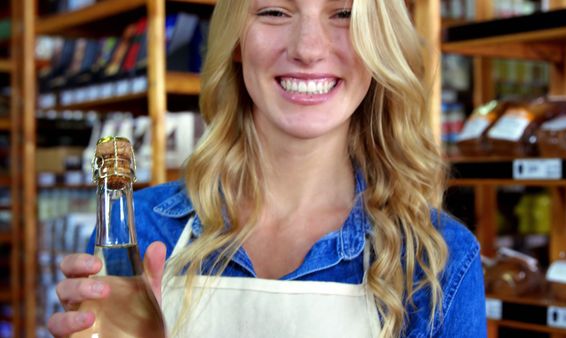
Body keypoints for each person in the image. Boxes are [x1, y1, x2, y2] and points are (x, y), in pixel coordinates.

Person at [48, 0, 486, 337]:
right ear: (236, 39)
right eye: (275, 11)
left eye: (343, 14)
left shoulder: (438, 261)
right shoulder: (141, 231)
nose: (308, 50)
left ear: (380, 44)